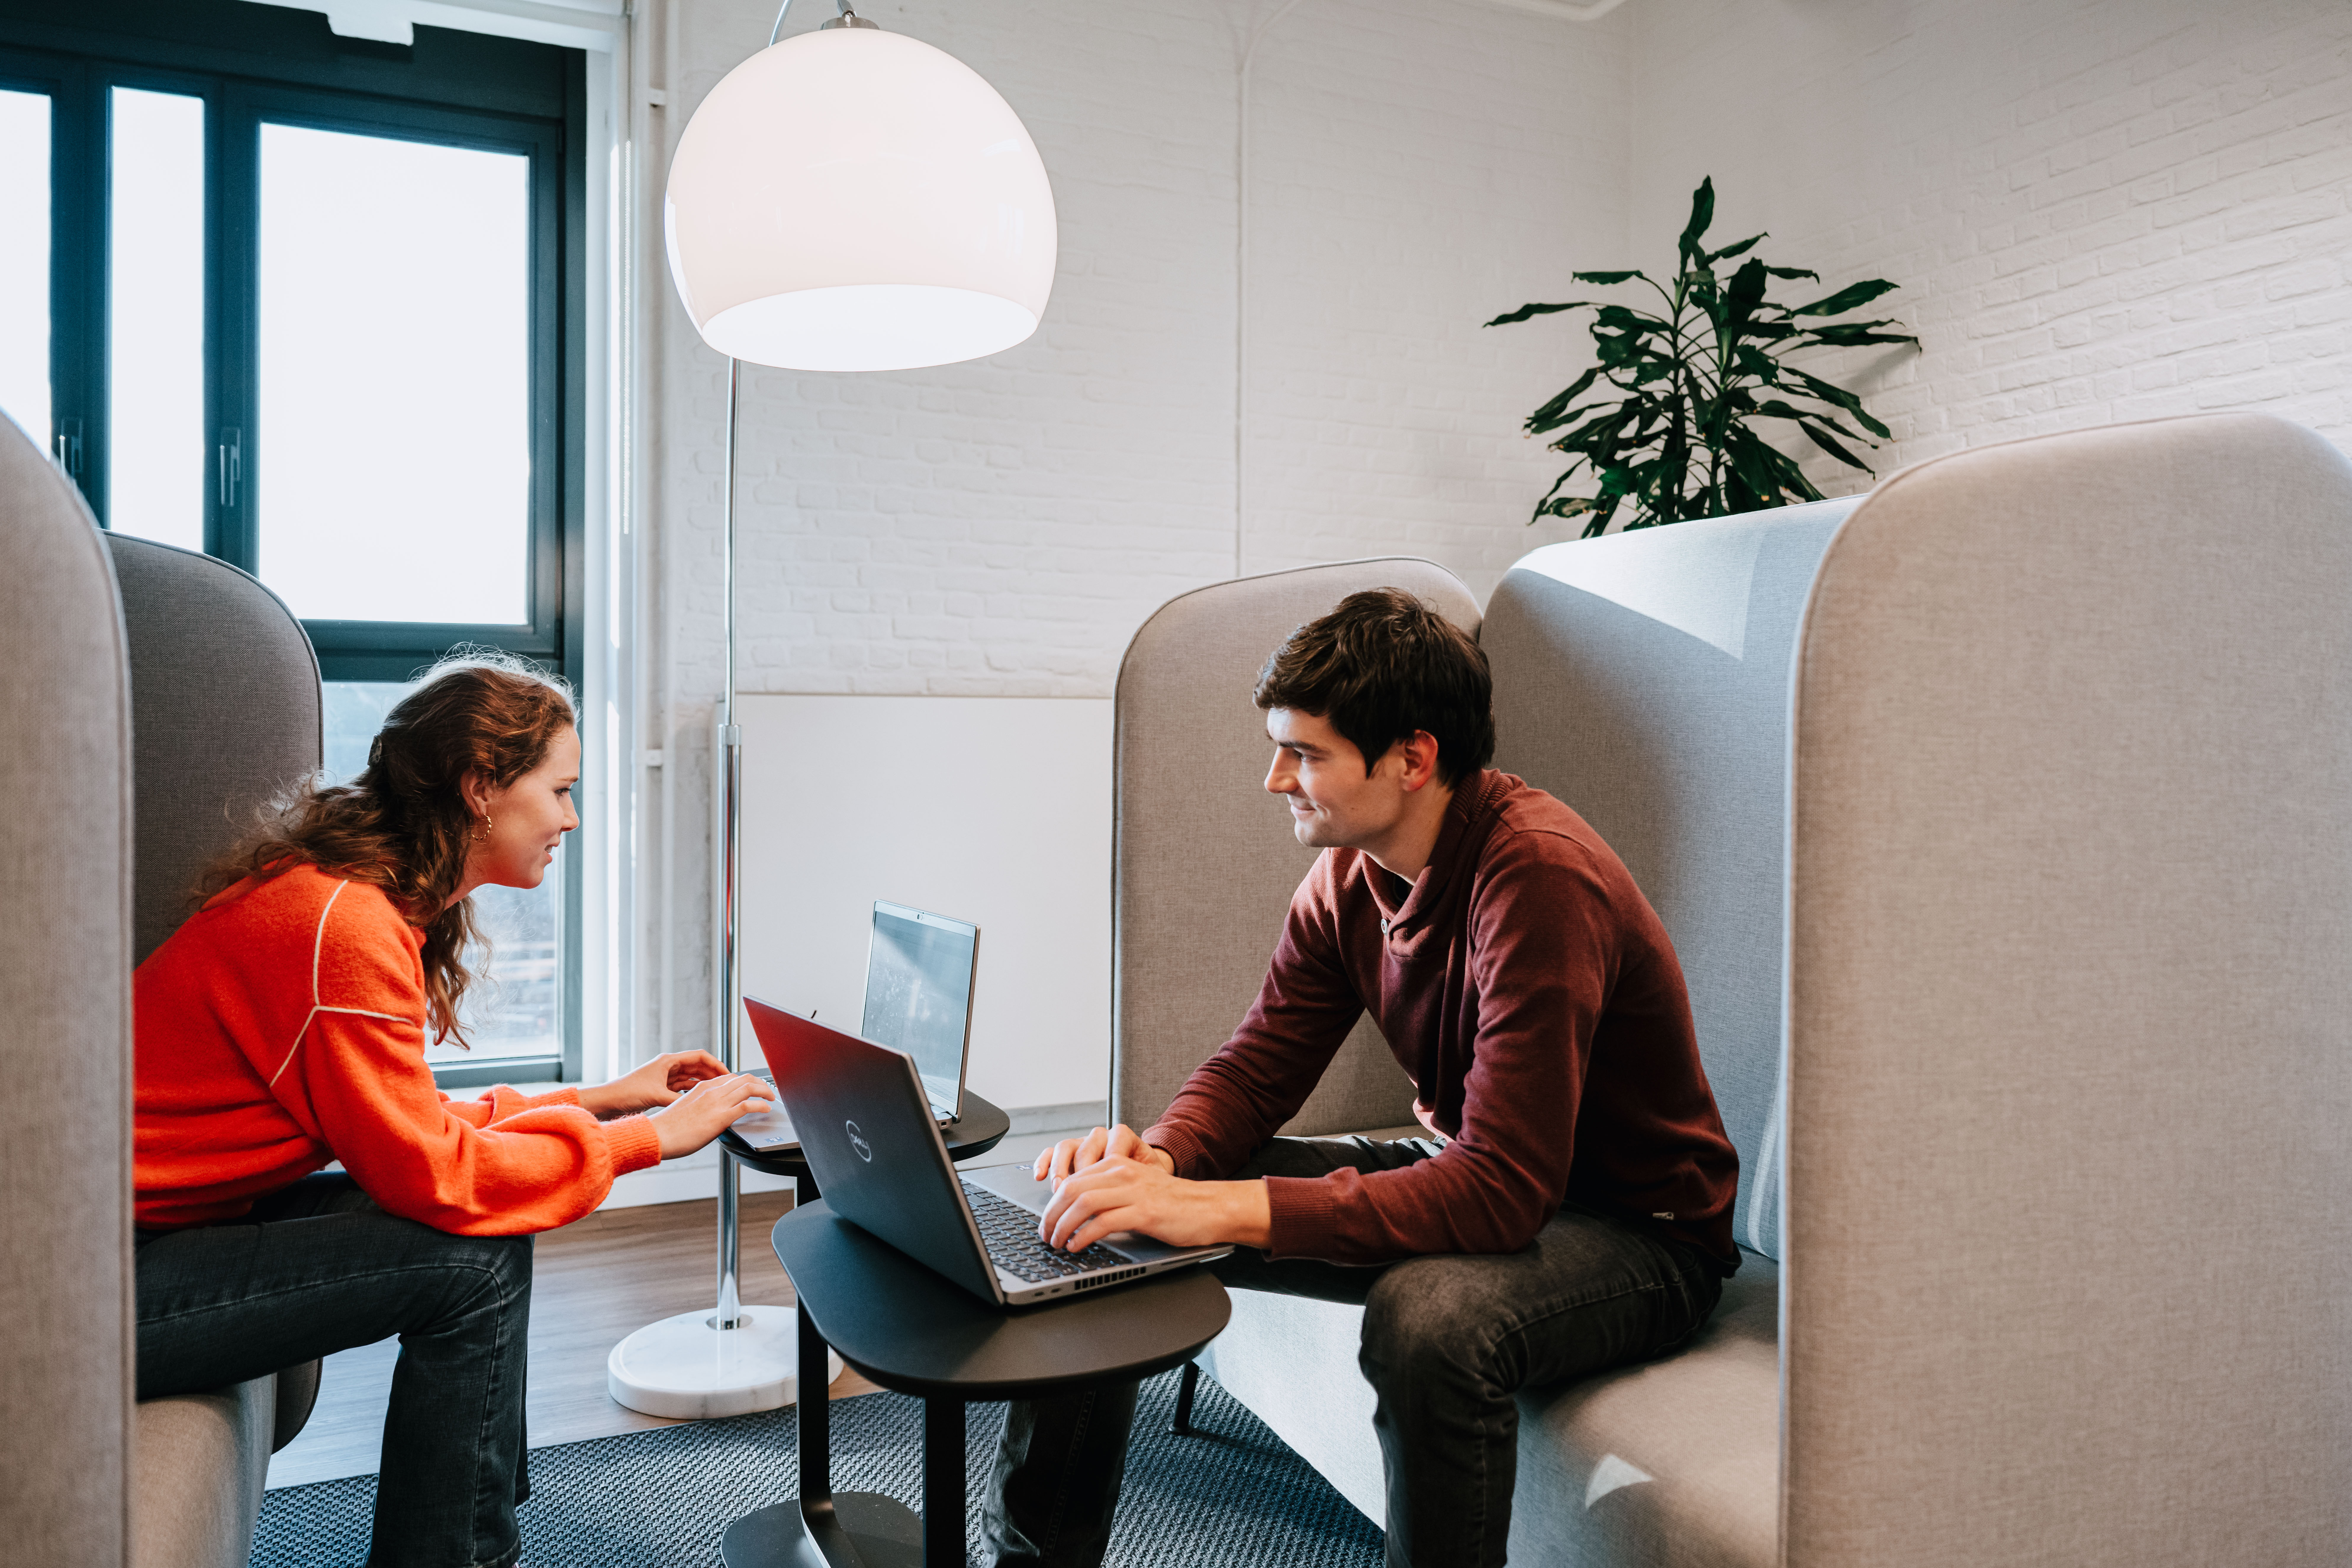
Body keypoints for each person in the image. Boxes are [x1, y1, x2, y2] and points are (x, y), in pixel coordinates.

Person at [986, 589, 1741, 1568]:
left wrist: (1226, 1209)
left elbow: (1504, 1193)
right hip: (1477, 1166)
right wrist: (1162, 1161)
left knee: (1427, 1317)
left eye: (1304, 753)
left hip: (1639, 1234)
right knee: (1110, 1212)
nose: (1274, 779)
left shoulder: (1539, 879)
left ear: (1412, 758)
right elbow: (1257, 1066)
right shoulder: (1349, 875)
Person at [133, 652, 773, 1568]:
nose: (571, 818)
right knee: (472, 1256)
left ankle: (463, 1542)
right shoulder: (345, 931)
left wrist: (598, 1096)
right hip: (91, 1290)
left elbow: (410, 1121)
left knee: (488, 1233)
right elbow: (435, 1172)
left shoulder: (354, 901)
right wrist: (650, 1138)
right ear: (481, 786)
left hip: (151, 1237)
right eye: (559, 790)